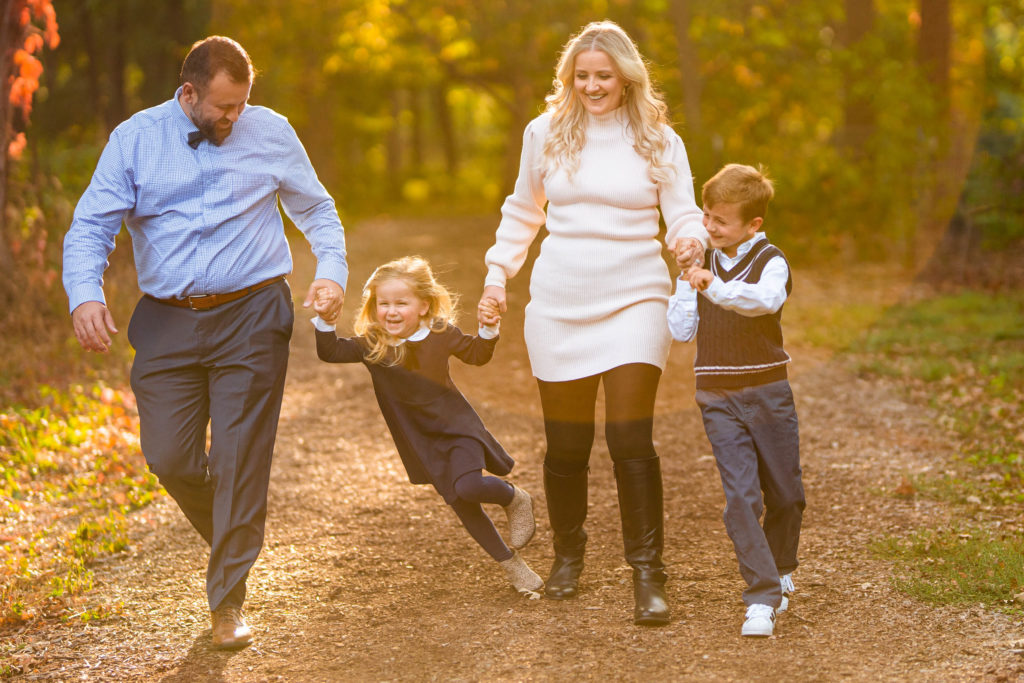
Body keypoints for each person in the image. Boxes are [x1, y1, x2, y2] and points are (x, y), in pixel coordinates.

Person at [62, 36, 348, 650]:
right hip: (166, 320)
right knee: (169, 457)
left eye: (241, 105)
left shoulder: (270, 132)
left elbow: (318, 210)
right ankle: (234, 534)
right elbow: (91, 226)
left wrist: (331, 269)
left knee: (240, 454)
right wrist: (85, 295)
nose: (233, 118)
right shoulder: (134, 140)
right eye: (222, 107)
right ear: (187, 93)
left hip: (252, 312)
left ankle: (228, 602)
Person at [476, 20, 707, 626]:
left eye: (603, 76)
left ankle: (648, 573)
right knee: (567, 445)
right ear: (569, 78)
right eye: (582, 76)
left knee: (630, 438)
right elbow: (523, 210)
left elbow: (683, 212)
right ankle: (568, 558)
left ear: (627, 77)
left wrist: (689, 244)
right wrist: (498, 276)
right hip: (558, 304)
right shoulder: (545, 133)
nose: (592, 86)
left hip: (637, 297)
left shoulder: (658, 139)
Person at [313, 256, 543, 598]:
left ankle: (513, 497)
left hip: (457, 429)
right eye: (383, 303)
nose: (390, 311)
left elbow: (477, 354)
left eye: (400, 303)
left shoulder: (439, 333)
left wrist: (489, 328)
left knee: (468, 486)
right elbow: (330, 351)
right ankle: (513, 567)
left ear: (423, 305)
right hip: (421, 441)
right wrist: (325, 320)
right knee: (462, 504)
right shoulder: (372, 343)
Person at [666, 163, 805, 637]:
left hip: (768, 391)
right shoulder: (699, 260)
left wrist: (713, 285)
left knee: (786, 494)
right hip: (717, 395)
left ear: (753, 224)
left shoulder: (772, 261)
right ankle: (761, 597)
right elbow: (682, 331)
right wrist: (686, 281)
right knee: (741, 498)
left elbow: (761, 302)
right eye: (706, 216)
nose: (708, 227)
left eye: (720, 221)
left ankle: (781, 564)